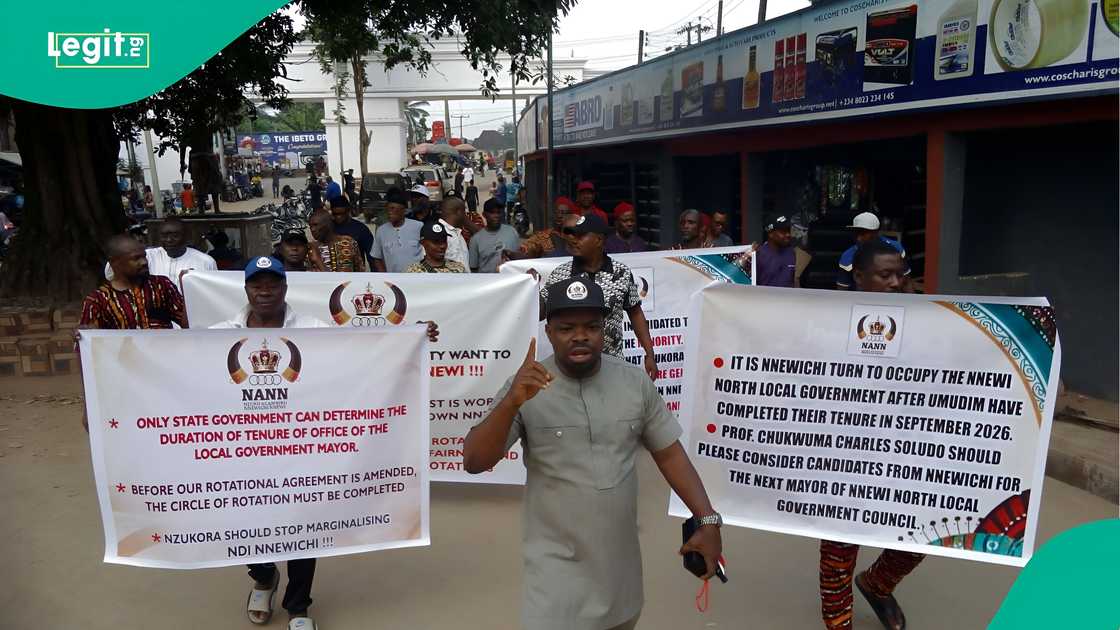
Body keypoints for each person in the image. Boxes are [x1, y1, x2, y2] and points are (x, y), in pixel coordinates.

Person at [462, 278, 723, 630]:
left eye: (591, 327)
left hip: (620, 576)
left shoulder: (634, 382)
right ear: (549, 332)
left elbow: (670, 454)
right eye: (566, 328)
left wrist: (707, 520)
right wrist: (511, 403)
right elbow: (475, 461)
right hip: (556, 577)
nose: (580, 336)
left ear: (604, 330)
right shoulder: (525, 386)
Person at [819, 238, 919, 630]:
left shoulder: (927, 320)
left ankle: (877, 585)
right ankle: (838, 621)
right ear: (859, 277)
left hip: (902, 451)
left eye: (900, 275)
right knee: (839, 548)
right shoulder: (827, 321)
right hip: (843, 453)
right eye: (885, 275)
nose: (895, 282)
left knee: (919, 534)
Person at [540, 214, 658, 380]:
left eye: (580, 236)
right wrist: (530, 287)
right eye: (572, 235)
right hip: (570, 368)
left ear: (598, 240)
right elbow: (539, 313)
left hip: (612, 367)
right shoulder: (560, 274)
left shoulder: (621, 273)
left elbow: (636, 313)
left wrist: (649, 353)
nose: (573, 240)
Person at [81, 235, 187, 332]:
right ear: (114, 262)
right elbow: (90, 339)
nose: (144, 262)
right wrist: (83, 335)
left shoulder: (161, 285)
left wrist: (187, 288)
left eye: (144, 256)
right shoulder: (98, 300)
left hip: (164, 347)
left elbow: (188, 325)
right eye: (136, 258)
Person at [836, 212, 908, 290]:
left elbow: (906, 282)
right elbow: (842, 288)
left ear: (875, 232)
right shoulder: (847, 257)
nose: (859, 238)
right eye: (857, 233)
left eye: (863, 233)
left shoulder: (896, 249)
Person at [371, 189, 423, 273]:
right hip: (394, 279)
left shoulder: (418, 226)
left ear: (403, 210)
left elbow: (428, 253)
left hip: (417, 277)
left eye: (392, 208)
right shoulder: (381, 231)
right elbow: (377, 257)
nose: (389, 212)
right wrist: (385, 276)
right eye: (387, 209)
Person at [470, 198, 521, 273]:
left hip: (511, 278)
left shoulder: (512, 232)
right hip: (488, 280)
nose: (496, 216)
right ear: (484, 214)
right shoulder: (475, 240)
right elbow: (473, 269)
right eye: (492, 213)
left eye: (499, 212)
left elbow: (520, 259)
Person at [328, 196, 375, 269]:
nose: (338, 217)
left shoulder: (361, 229)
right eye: (335, 214)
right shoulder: (328, 228)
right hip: (331, 272)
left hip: (355, 273)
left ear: (348, 211)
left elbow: (371, 256)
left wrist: (375, 274)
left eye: (341, 213)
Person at [754, 216, 797, 287]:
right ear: (770, 234)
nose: (788, 234)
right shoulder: (758, 254)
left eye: (788, 231)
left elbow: (794, 281)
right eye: (783, 231)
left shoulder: (791, 252)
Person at [437, 197, 473, 272]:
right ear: (459, 212)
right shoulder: (439, 233)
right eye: (464, 211)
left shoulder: (457, 232)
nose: (465, 215)